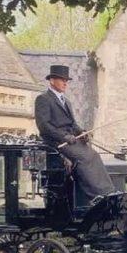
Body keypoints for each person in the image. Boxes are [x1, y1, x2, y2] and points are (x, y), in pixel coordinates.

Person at [34, 64, 115, 202]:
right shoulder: (43, 99)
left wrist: (81, 133)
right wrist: (63, 136)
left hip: (71, 140)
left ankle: (108, 192)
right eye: (62, 80)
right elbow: (44, 125)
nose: (65, 83)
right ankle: (95, 196)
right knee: (84, 158)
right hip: (56, 142)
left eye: (67, 80)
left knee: (94, 155)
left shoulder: (67, 102)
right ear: (52, 81)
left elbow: (73, 124)